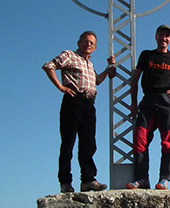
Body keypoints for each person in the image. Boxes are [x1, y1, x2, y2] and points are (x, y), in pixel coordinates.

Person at [42, 30, 115, 193]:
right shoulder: (69, 55)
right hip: (74, 101)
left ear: (95, 48)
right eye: (85, 41)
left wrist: (109, 68)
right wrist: (60, 87)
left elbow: (96, 80)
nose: (88, 44)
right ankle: (65, 182)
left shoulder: (89, 64)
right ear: (79, 43)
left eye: (92, 43)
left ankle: (88, 179)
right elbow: (49, 66)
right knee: (68, 143)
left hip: (90, 103)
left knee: (88, 143)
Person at [126, 24, 170, 190]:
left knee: (168, 141)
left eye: (167, 36)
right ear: (156, 37)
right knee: (140, 139)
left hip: (168, 102)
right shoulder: (146, 55)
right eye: (161, 35)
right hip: (148, 100)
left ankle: (164, 178)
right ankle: (142, 179)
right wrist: (134, 103)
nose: (164, 38)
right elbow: (134, 80)